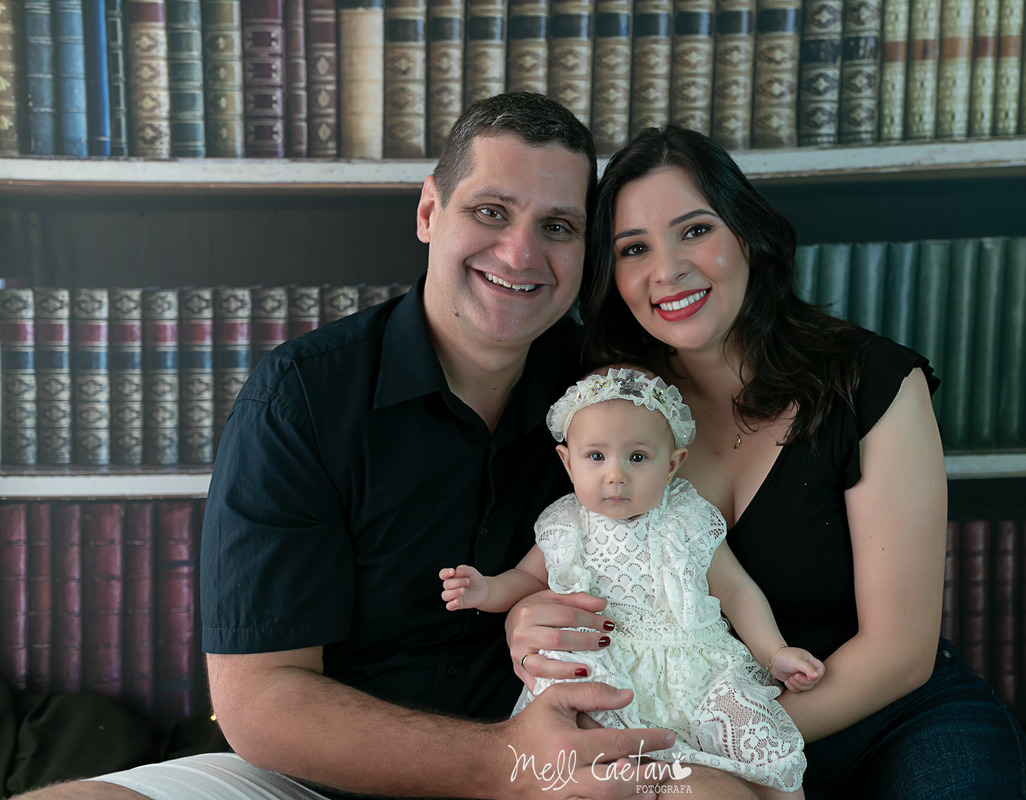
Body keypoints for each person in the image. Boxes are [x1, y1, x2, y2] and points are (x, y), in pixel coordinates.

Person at [17, 97, 745, 800]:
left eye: (557, 226)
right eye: (491, 212)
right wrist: (502, 763)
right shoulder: (303, 397)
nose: (521, 253)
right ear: (429, 212)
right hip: (313, 781)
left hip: (566, 761)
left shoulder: (612, 398)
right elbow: (260, 702)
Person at [503, 125, 1026, 800]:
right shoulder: (607, 408)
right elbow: (562, 566)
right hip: (691, 738)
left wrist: (734, 750)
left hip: (890, 719)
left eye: (695, 231)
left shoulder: (871, 384)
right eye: (633, 248)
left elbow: (899, 656)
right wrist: (522, 618)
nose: (667, 270)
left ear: (748, 237)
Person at [441, 365, 824, 799]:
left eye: (637, 457)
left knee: (766, 752)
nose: (616, 475)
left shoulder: (686, 518)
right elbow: (527, 579)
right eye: (596, 456)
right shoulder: (567, 524)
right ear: (567, 462)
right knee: (591, 755)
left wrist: (774, 652)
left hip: (696, 669)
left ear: (672, 464)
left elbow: (736, 591)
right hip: (607, 665)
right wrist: (488, 590)